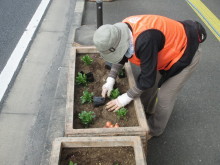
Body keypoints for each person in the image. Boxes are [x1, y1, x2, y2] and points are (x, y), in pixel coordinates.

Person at [93, 15, 206, 138]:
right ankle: (146, 111)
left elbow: (147, 79)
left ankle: (153, 129)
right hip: (165, 49)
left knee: (165, 97)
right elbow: (121, 55)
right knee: (146, 86)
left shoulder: (145, 40)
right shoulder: (120, 32)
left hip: (185, 51)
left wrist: (124, 98)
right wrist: (110, 79)